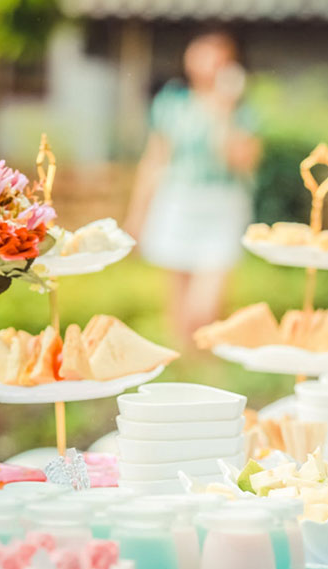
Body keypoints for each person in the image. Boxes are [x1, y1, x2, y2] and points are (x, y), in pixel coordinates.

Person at [124, 31, 262, 346]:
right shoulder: (173, 103)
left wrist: (223, 112)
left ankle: (206, 365)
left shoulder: (242, 111)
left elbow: (242, 161)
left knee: (205, 307)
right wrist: (137, 217)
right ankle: (186, 371)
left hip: (221, 204)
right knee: (178, 305)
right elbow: (154, 161)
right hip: (178, 201)